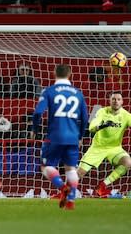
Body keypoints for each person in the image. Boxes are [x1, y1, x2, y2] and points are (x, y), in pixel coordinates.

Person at [32, 64, 88, 210]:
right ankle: (71, 201)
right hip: (73, 137)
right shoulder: (78, 93)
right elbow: (85, 118)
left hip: (55, 136)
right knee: (70, 168)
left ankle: (63, 188)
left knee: (46, 166)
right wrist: (80, 136)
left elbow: (38, 113)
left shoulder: (49, 91)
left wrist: (35, 129)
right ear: (70, 74)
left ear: (54, 73)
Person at [77, 92, 131, 198]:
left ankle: (101, 186)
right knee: (80, 173)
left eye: (118, 99)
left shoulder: (126, 115)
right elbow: (92, 127)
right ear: (109, 101)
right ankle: (64, 193)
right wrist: (101, 126)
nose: (116, 101)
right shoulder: (102, 111)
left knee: (127, 162)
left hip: (114, 148)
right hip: (98, 147)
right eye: (113, 99)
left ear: (122, 102)